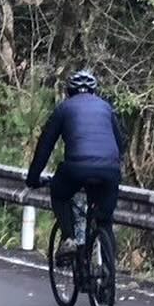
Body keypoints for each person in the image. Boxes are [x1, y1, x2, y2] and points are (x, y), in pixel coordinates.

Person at [27, 69, 125, 251]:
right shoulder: (106, 108)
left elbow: (45, 146)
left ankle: (69, 238)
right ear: (94, 92)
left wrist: (33, 178)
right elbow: (120, 144)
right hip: (110, 170)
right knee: (104, 220)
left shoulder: (64, 108)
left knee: (59, 193)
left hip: (76, 168)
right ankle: (109, 269)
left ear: (69, 92)